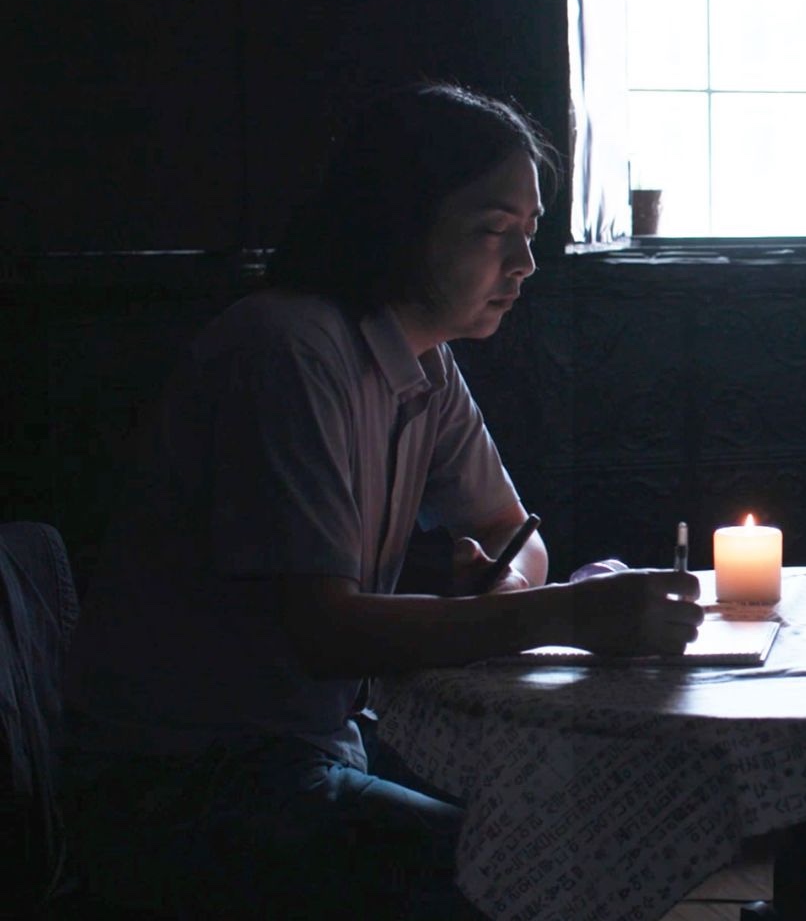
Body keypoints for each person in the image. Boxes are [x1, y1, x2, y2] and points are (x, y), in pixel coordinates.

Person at [60, 82, 705, 918]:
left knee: (566, 823)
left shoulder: (422, 361)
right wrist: (563, 616)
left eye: (529, 232)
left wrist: (506, 586)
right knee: (524, 875)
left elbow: (518, 535)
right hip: (185, 778)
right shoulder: (290, 348)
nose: (525, 264)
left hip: (316, 743)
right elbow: (324, 632)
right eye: (492, 230)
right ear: (403, 223)